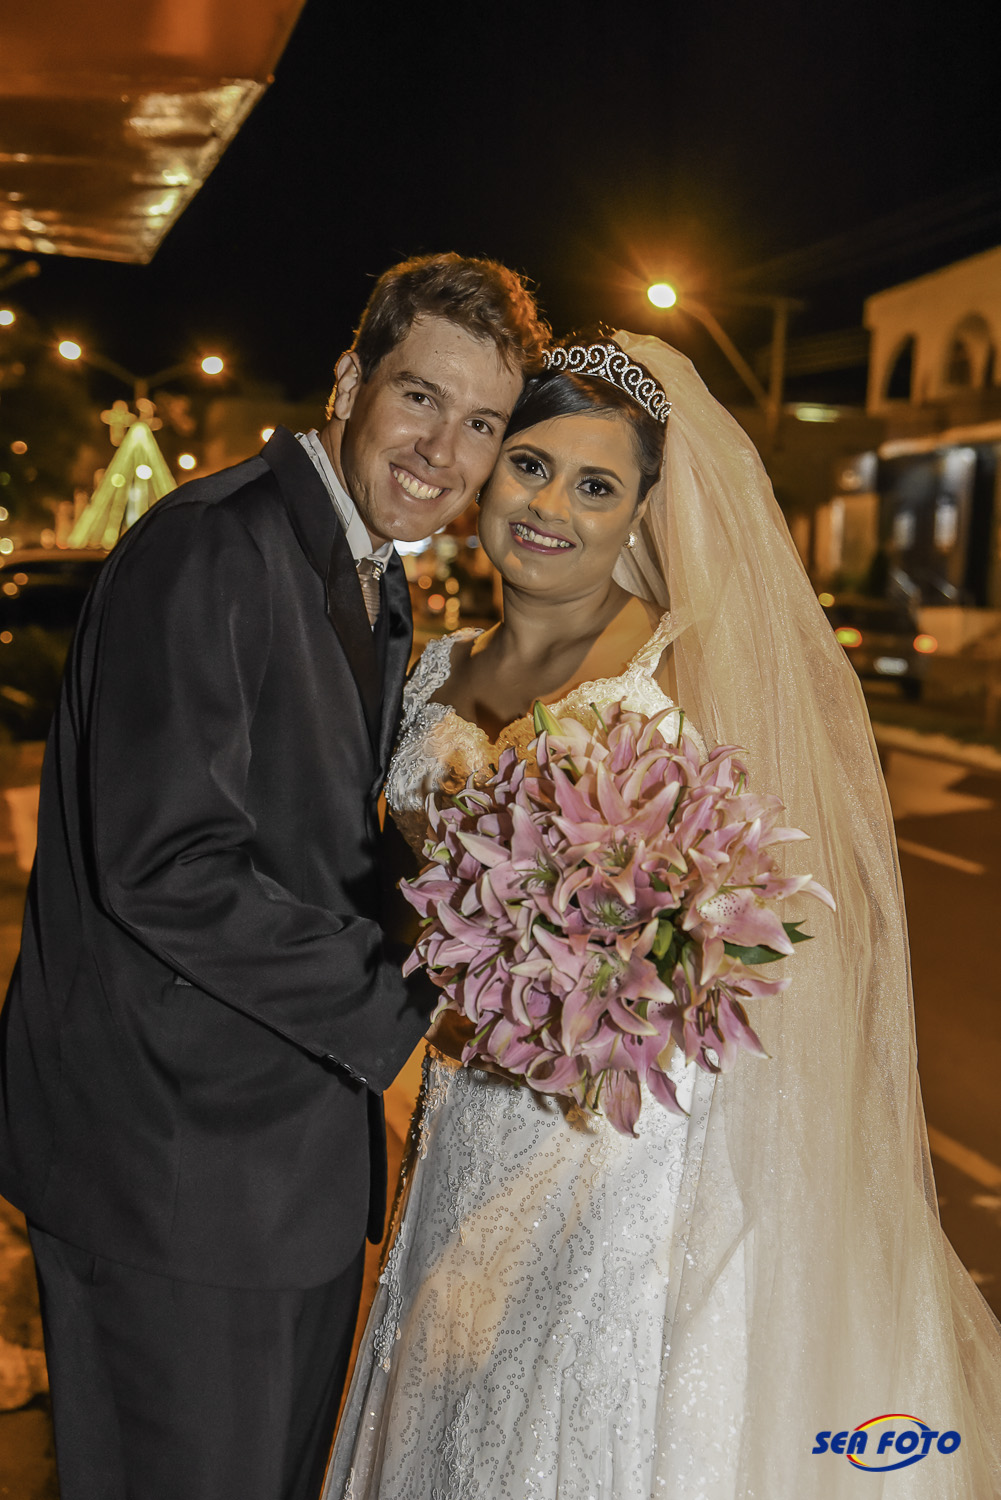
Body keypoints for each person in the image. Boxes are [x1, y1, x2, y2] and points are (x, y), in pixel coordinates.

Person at [325, 333, 1001, 1498]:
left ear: (642, 510)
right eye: (529, 465)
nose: (549, 508)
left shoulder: (683, 679)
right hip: (462, 1127)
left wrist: (612, 979)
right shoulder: (426, 672)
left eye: (596, 485)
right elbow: (387, 904)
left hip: (620, 1152)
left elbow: (755, 940)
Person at [0, 252, 548, 1500]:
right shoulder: (212, 547)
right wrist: (418, 999)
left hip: (281, 1167)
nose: (442, 451)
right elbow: (167, 867)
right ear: (350, 380)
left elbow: (315, 838)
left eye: (480, 424)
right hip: (171, 1169)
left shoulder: (369, 568)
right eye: (419, 397)